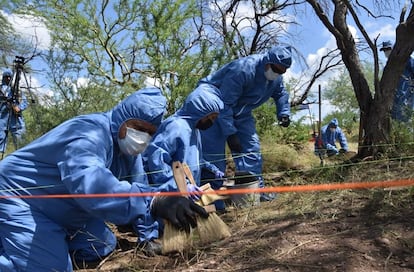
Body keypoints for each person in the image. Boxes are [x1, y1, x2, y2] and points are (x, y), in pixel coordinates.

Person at [0, 87, 209, 271]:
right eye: (139, 127)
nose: (143, 137)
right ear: (123, 117)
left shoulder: (127, 152)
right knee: (53, 268)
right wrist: (154, 201)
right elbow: (92, 187)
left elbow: (140, 188)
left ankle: (42, 242)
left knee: (102, 245)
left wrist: (154, 231)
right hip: (19, 198)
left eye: (150, 132)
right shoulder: (88, 134)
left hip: (65, 205)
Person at [197, 45, 292, 206]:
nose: (277, 73)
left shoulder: (275, 78)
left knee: (251, 149)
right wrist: (230, 133)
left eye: (281, 71)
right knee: (213, 155)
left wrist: (283, 113)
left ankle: (254, 193)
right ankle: (212, 200)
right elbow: (224, 104)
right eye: (275, 69)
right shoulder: (243, 70)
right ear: (267, 61)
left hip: (241, 113)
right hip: (214, 109)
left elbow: (281, 93)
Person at [143, 84, 224, 197]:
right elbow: (157, 160)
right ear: (201, 110)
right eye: (212, 117)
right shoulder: (176, 126)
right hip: (167, 196)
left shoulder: (194, 129)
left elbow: (192, 159)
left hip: (184, 194)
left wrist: (211, 170)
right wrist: (179, 185)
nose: (212, 122)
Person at [380, 40, 414, 122]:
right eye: (384, 50)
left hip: (407, 96)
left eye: (388, 49)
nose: (386, 51)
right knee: (395, 121)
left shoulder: (405, 59)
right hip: (393, 99)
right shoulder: (388, 67)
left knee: (405, 120)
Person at [0, 69, 28, 153]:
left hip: (16, 119)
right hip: (2, 119)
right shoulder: (1, 89)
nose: (8, 79)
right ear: (3, 78)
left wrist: (19, 107)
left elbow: (25, 102)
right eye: (6, 77)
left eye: (10, 77)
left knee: (21, 143)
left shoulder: (16, 90)